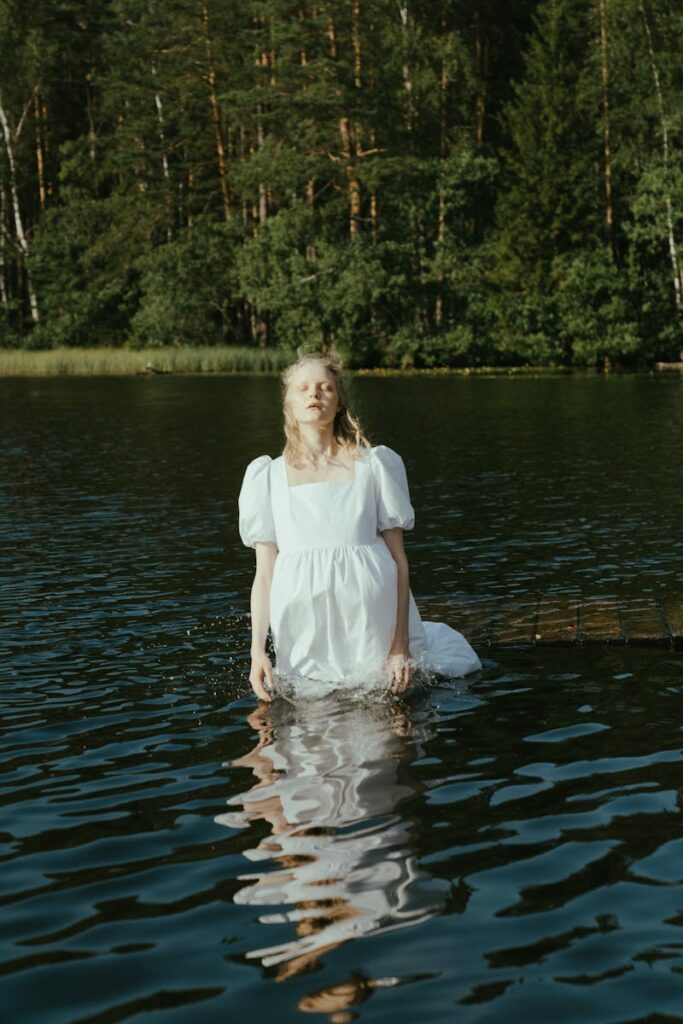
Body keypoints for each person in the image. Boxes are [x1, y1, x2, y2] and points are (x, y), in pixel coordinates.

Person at [238, 352, 481, 700]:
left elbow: (399, 561)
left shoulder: (373, 465)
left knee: (381, 715)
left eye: (325, 388)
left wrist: (399, 645)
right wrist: (257, 651)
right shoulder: (268, 477)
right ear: (289, 405)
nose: (314, 395)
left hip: (372, 620)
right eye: (303, 389)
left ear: (339, 403)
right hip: (308, 628)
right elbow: (264, 576)